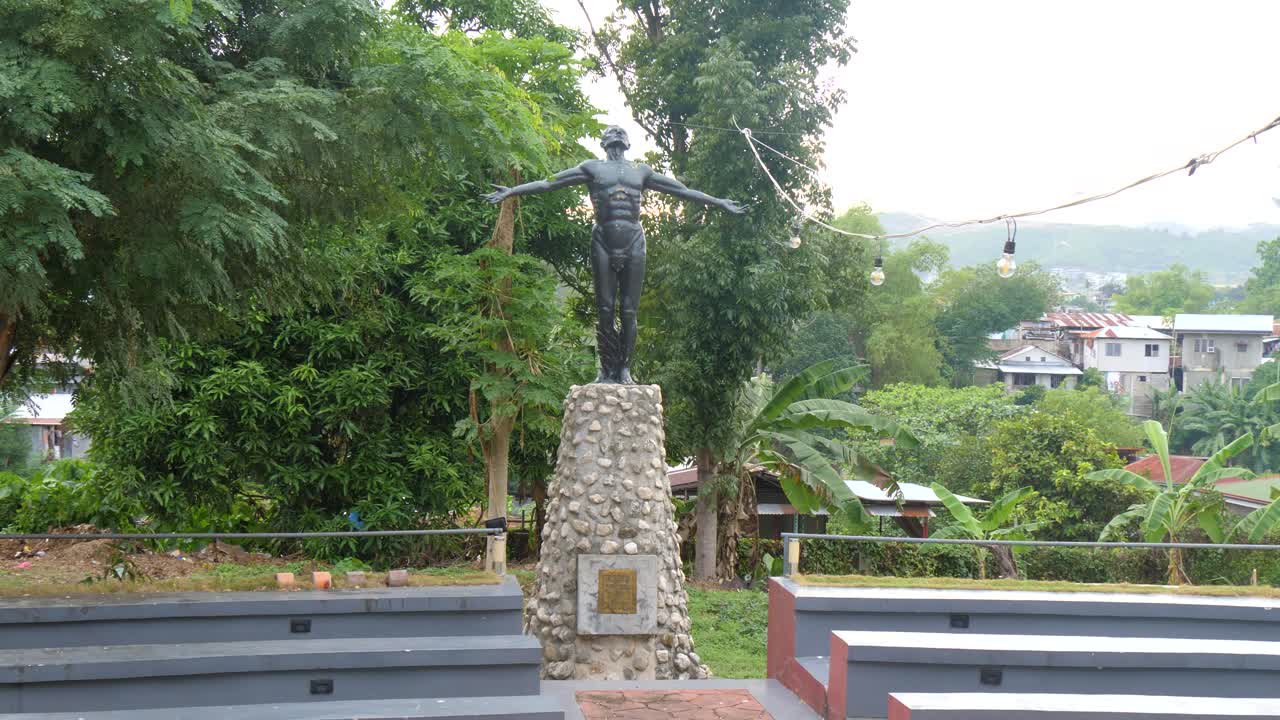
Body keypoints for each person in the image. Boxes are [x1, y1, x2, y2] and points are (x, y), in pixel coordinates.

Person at [485, 126, 745, 383]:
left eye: (621, 134)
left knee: (629, 311)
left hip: (633, 240)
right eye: (612, 133)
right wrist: (512, 191)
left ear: (628, 143)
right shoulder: (592, 168)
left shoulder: (640, 171)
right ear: (604, 143)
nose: (617, 135)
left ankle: (625, 369)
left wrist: (718, 202)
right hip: (603, 240)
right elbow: (548, 183)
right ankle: (606, 369)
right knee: (605, 309)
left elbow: (682, 191)